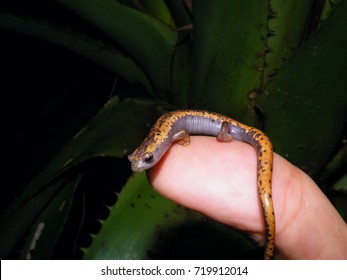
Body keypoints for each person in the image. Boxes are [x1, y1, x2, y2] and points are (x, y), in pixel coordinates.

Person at [147, 136, 347, 259]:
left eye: (148, 159)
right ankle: (267, 254)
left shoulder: (168, 134)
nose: (141, 165)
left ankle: (268, 254)